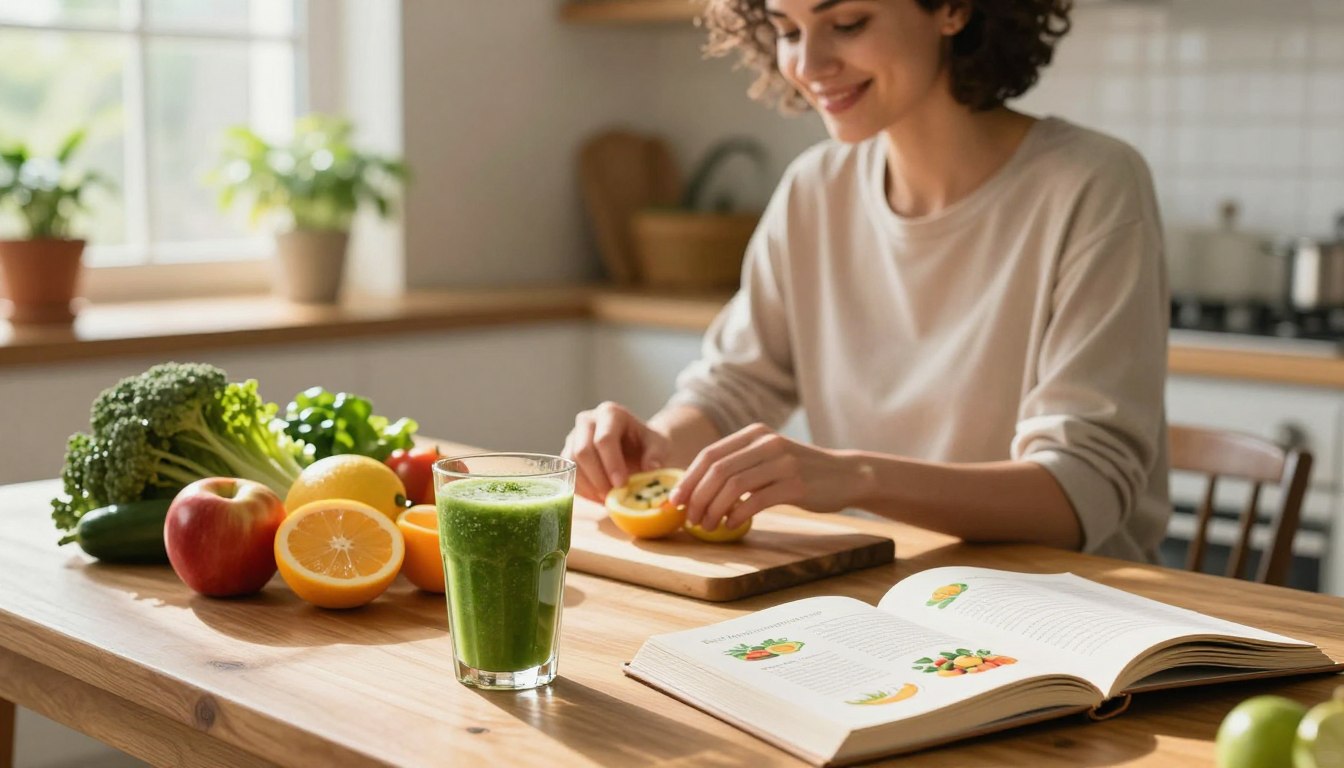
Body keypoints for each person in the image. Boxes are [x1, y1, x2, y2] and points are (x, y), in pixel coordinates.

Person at [562, 0, 1171, 563]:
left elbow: (1081, 492)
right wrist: (653, 446)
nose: (809, 63)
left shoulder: (1092, 184)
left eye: (848, 23)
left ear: (954, 8)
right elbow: (733, 389)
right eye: (788, 30)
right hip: (888, 590)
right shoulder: (815, 188)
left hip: (1076, 618)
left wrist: (855, 478)